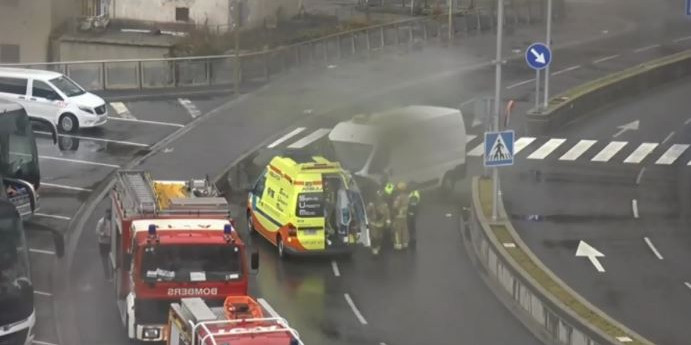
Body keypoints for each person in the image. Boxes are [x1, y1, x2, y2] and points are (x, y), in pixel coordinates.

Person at [367, 191, 390, 255]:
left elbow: (387, 214)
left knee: (380, 236)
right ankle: (374, 248)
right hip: (373, 223)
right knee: (374, 236)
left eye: (380, 197)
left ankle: (378, 246)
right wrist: (368, 219)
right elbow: (367, 212)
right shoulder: (371, 204)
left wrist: (388, 221)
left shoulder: (384, 205)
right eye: (378, 196)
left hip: (381, 223)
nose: (379, 198)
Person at [392, 182, 410, 250]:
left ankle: (398, 244)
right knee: (405, 229)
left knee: (398, 230)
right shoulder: (407, 196)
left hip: (398, 216)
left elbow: (395, 206)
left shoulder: (398, 197)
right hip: (404, 215)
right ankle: (405, 243)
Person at [96, 209, 113, 280]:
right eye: (107, 214)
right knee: (104, 260)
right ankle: (107, 276)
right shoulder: (101, 222)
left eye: (109, 214)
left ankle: (111, 275)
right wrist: (102, 234)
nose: (108, 215)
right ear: (105, 214)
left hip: (110, 243)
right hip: (103, 243)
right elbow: (97, 231)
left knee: (111, 260)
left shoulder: (112, 222)